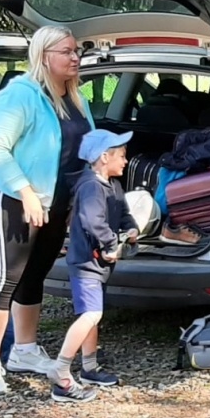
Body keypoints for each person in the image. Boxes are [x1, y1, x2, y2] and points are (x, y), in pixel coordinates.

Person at [0, 26, 95, 397]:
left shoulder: (75, 97)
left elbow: (84, 150)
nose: (75, 58)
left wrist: (80, 200)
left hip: (56, 204)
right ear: (44, 56)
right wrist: (26, 192)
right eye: (67, 52)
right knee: (5, 278)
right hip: (13, 198)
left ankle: (24, 351)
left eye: (77, 51)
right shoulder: (20, 95)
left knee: (35, 274)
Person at [48, 129, 139, 402]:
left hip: (97, 263)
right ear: (103, 157)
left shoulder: (112, 184)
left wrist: (131, 228)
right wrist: (111, 244)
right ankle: (61, 371)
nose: (125, 161)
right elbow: (91, 221)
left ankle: (89, 368)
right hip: (86, 262)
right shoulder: (90, 186)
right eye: (121, 155)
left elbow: (123, 212)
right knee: (90, 315)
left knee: (93, 313)